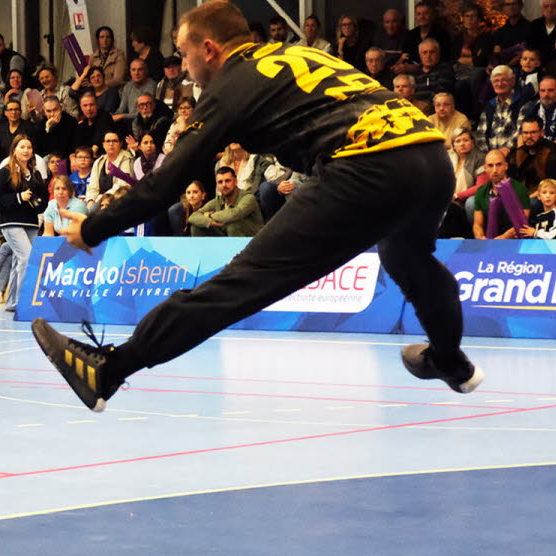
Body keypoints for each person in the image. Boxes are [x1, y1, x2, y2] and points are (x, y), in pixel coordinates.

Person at [31, 1, 482, 413]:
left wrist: (95, 227)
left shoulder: (231, 86)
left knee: (240, 284)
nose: (184, 70)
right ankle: (451, 361)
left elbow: (167, 181)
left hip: (365, 168)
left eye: (184, 56)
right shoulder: (295, 54)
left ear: (208, 49)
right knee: (409, 257)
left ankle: (107, 370)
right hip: (427, 155)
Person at [0, 134, 47, 312]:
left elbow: (44, 198)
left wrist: (37, 203)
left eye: (29, 147)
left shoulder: (35, 174)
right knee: (26, 256)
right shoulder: (6, 171)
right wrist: (18, 198)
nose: (26, 150)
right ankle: (24, 299)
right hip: (11, 222)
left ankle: (13, 302)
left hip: (30, 222)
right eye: (22, 147)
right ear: (14, 150)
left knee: (19, 261)